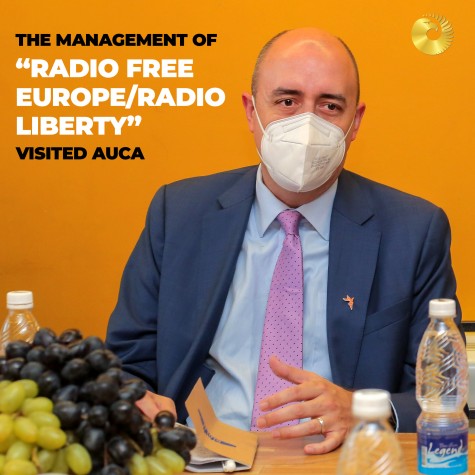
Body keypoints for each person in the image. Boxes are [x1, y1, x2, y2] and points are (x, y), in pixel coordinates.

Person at [106, 27, 461, 454]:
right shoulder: (178, 213)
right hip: (198, 455)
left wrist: (365, 410)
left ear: (355, 122)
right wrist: (141, 402)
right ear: (251, 111)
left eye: (330, 106)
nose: (306, 124)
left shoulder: (414, 230)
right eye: (287, 101)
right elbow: (127, 363)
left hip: (342, 459)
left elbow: (442, 393)